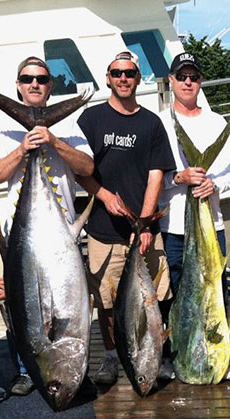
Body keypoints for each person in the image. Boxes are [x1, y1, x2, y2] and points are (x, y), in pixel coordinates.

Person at [0, 56, 94, 396]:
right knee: (23, 303)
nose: (34, 84)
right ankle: (26, 370)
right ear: (18, 85)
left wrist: (54, 142)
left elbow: (87, 168)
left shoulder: (71, 127)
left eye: (42, 79)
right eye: (27, 78)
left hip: (62, 233)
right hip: (21, 238)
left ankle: (65, 364)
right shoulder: (3, 130)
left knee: (65, 302)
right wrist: (23, 149)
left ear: (50, 86)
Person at [76, 51, 175, 386]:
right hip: (103, 230)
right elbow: (79, 170)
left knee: (155, 297)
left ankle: (155, 353)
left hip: (143, 231)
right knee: (106, 301)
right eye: (117, 73)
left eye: (130, 73)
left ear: (137, 78)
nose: (123, 78)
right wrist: (104, 196)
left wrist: (146, 225)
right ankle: (109, 357)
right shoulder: (90, 120)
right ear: (107, 78)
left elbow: (156, 176)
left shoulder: (151, 123)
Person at [157, 52, 230, 380]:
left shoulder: (217, 123)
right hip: (173, 226)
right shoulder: (161, 123)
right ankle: (178, 355)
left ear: (199, 81)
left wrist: (213, 184)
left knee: (215, 291)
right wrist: (179, 178)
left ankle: (216, 353)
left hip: (211, 224)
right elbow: (154, 177)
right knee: (178, 297)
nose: (188, 82)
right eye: (182, 76)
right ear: (172, 81)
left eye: (193, 76)